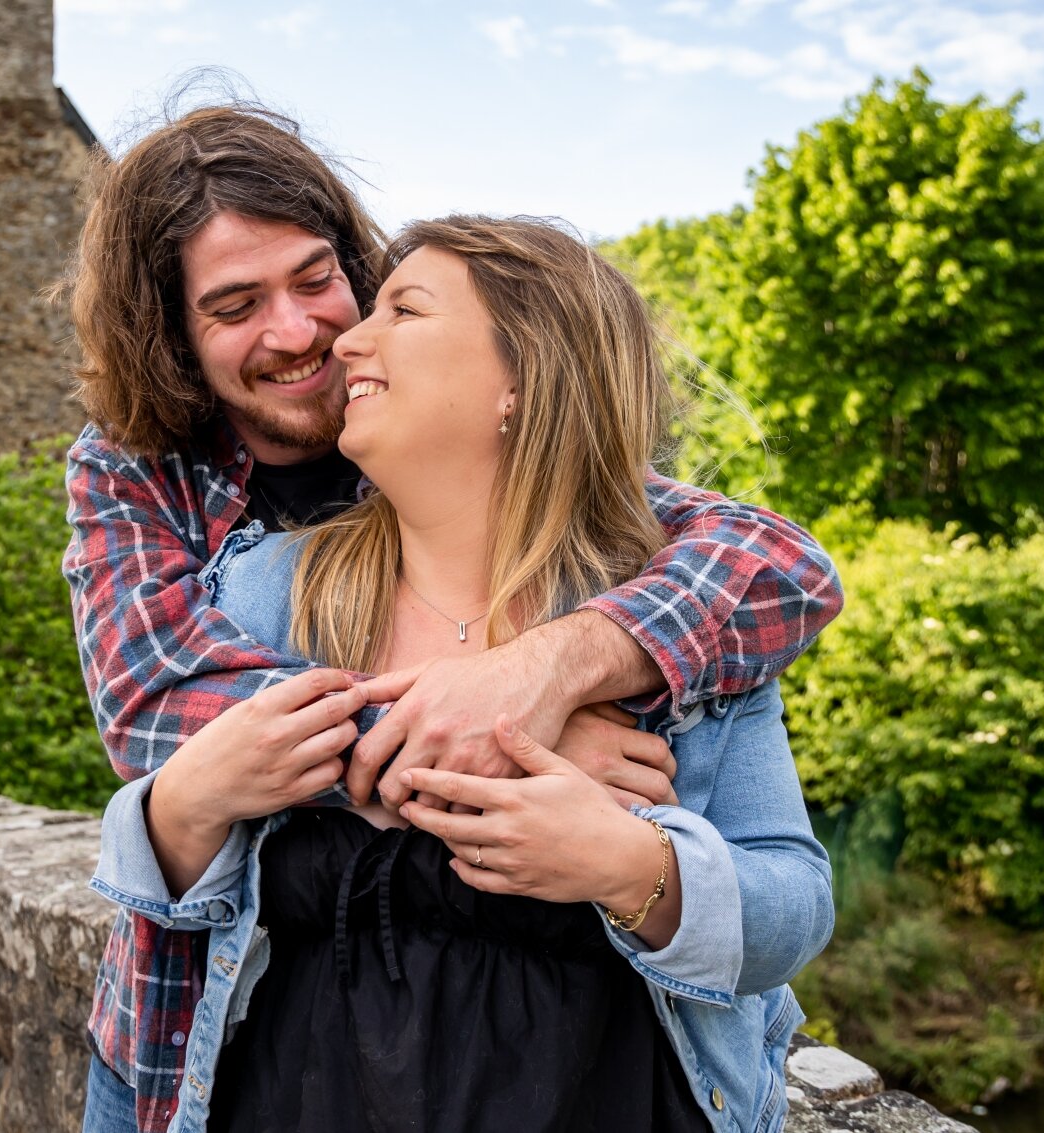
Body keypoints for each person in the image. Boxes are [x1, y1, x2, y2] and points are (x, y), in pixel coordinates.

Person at [62, 106, 843, 1133]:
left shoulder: (641, 591)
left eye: (322, 283)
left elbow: (774, 562)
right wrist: (487, 739)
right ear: (174, 336)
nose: (318, 338)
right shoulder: (222, 550)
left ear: (516, 383)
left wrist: (558, 683)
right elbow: (159, 724)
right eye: (235, 304)